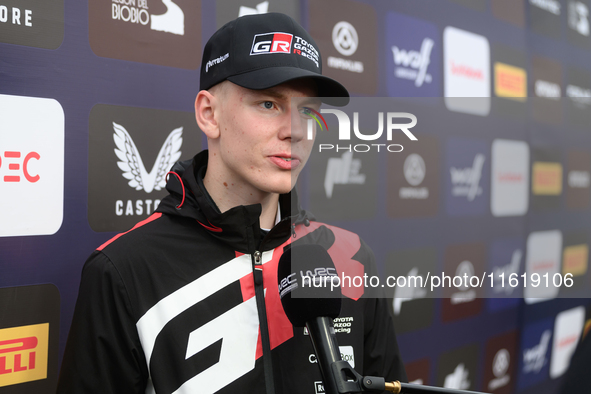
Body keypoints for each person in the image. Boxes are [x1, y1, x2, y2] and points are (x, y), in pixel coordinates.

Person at [57, 12, 407, 394]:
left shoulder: (351, 257)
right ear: (209, 113)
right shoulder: (123, 272)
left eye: (307, 110)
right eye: (269, 105)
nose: (295, 131)